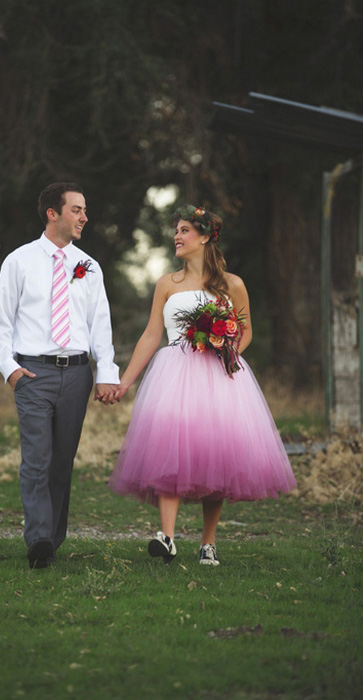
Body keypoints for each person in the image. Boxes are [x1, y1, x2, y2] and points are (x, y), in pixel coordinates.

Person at [109, 204, 296, 566]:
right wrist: (125, 381)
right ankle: (167, 537)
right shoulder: (167, 283)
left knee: (217, 454)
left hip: (219, 375)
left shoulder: (232, 284)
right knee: (169, 446)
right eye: (176, 231)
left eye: (184, 231)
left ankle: (208, 542)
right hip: (173, 373)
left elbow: (245, 330)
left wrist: (227, 352)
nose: (176, 237)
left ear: (206, 236)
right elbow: (151, 335)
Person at [0, 182, 119, 569]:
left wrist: (106, 373)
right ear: (53, 213)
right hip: (33, 374)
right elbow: (0, 325)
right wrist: (11, 372)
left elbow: (101, 327)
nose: (84, 217)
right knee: (37, 460)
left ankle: (52, 539)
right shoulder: (19, 261)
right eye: (77, 210)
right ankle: (39, 539)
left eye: (84, 210)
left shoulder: (89, 267)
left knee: (62, 462)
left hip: (78, 376)